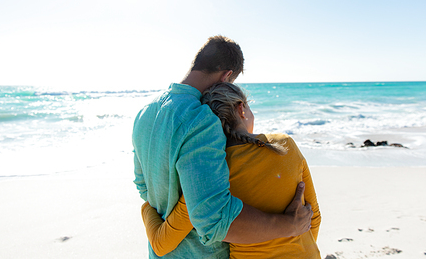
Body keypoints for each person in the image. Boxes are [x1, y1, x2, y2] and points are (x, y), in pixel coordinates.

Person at [133, 36, 313, 258]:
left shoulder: (145, 112)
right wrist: (289, 226)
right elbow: (214, 220)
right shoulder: (201, 119)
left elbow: (144, 187)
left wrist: (161, 233)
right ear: (227, 77)